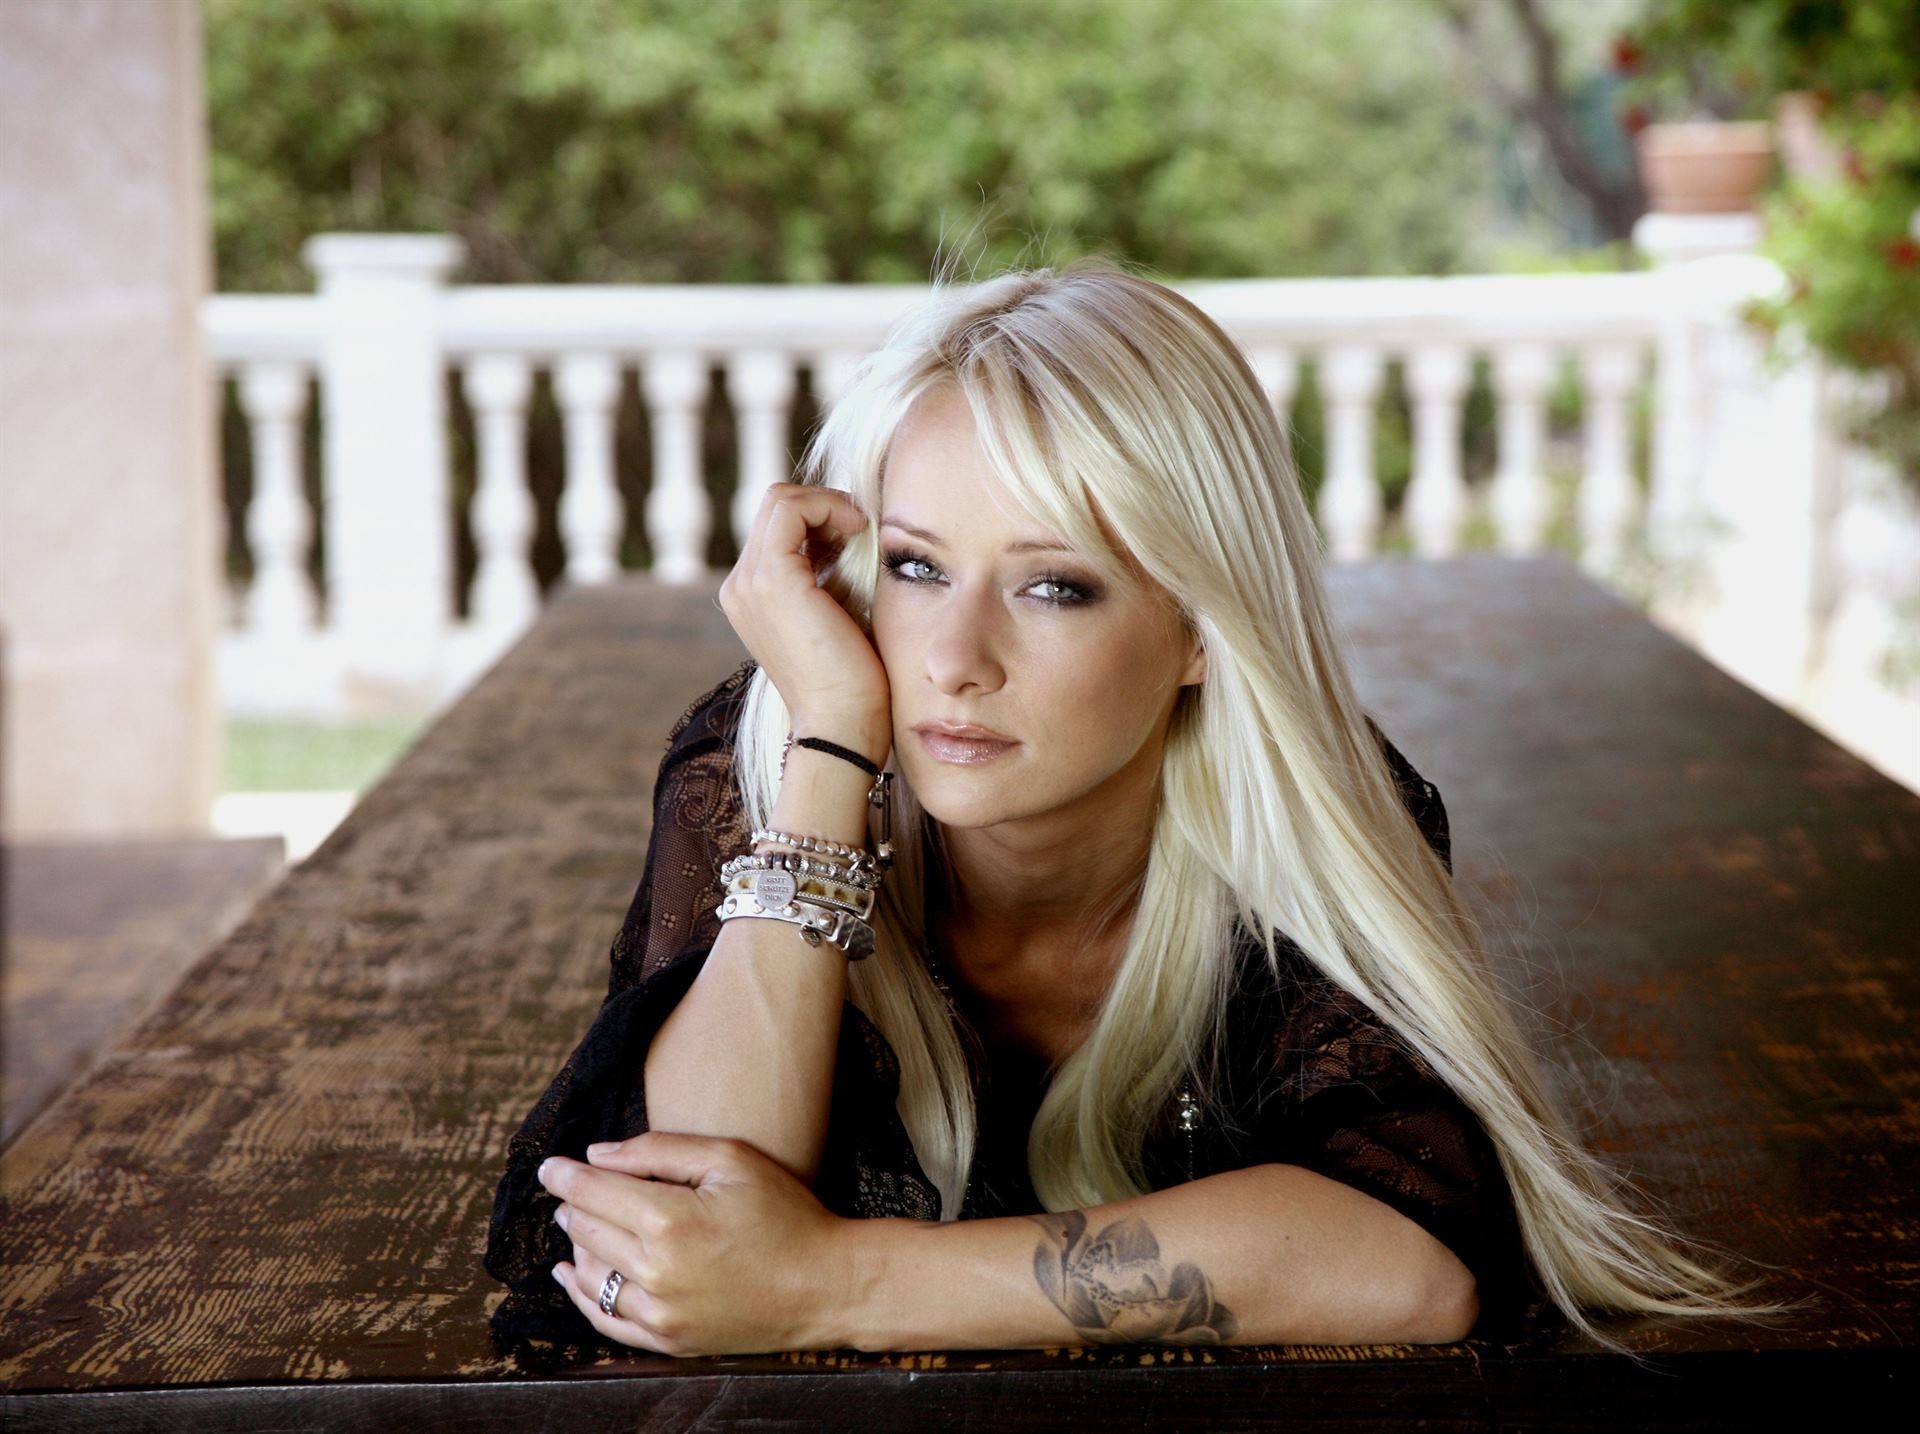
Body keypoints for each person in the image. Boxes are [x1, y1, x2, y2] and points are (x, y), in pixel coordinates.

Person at [483, 260, 1785, 1361]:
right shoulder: (771, 757)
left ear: (1202, 632)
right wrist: (826, 742)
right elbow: (670, 1226)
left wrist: (837, 1283)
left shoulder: (1296, 820)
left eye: (1053, 586)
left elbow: (1406, 1262)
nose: (953, 660)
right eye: (918, 566)